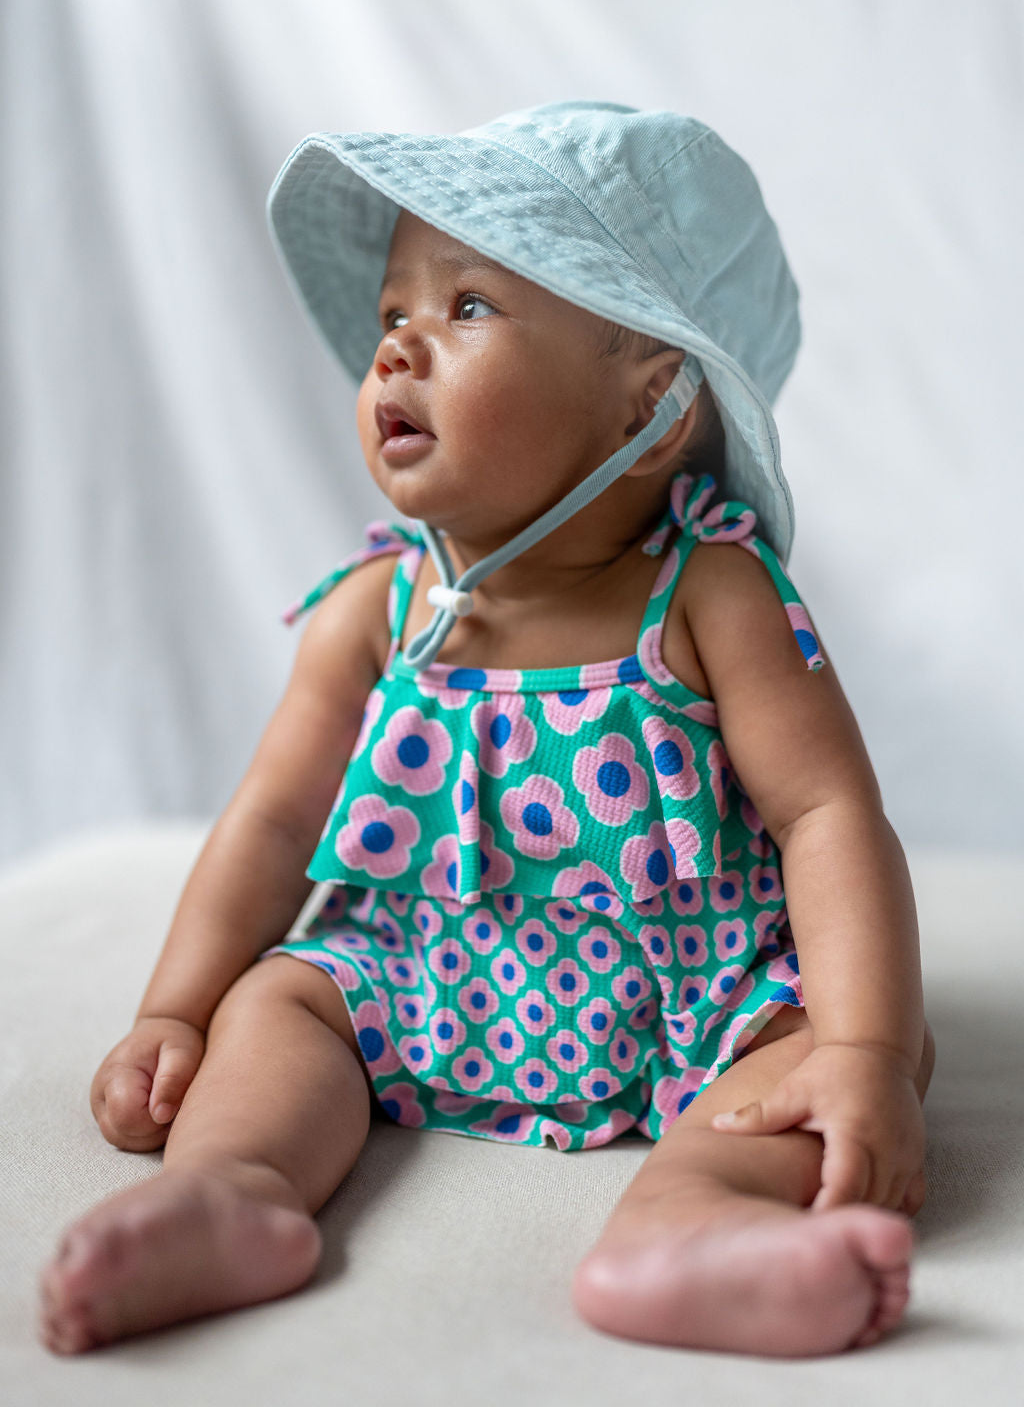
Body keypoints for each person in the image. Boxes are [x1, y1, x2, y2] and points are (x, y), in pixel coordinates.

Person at [38, 101, 934, 1359]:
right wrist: (176, 1011)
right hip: (421, 976)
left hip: (691, 995)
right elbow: (276, 818)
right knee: (283, 1004)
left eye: (466, 309)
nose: (398, 349)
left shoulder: (711, 594)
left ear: (651, 409)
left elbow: (825, 813)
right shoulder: (375, 609)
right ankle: (230, 1193)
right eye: (392, 314)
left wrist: (866, 1046)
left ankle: (687, 1225)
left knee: (802, 1053)